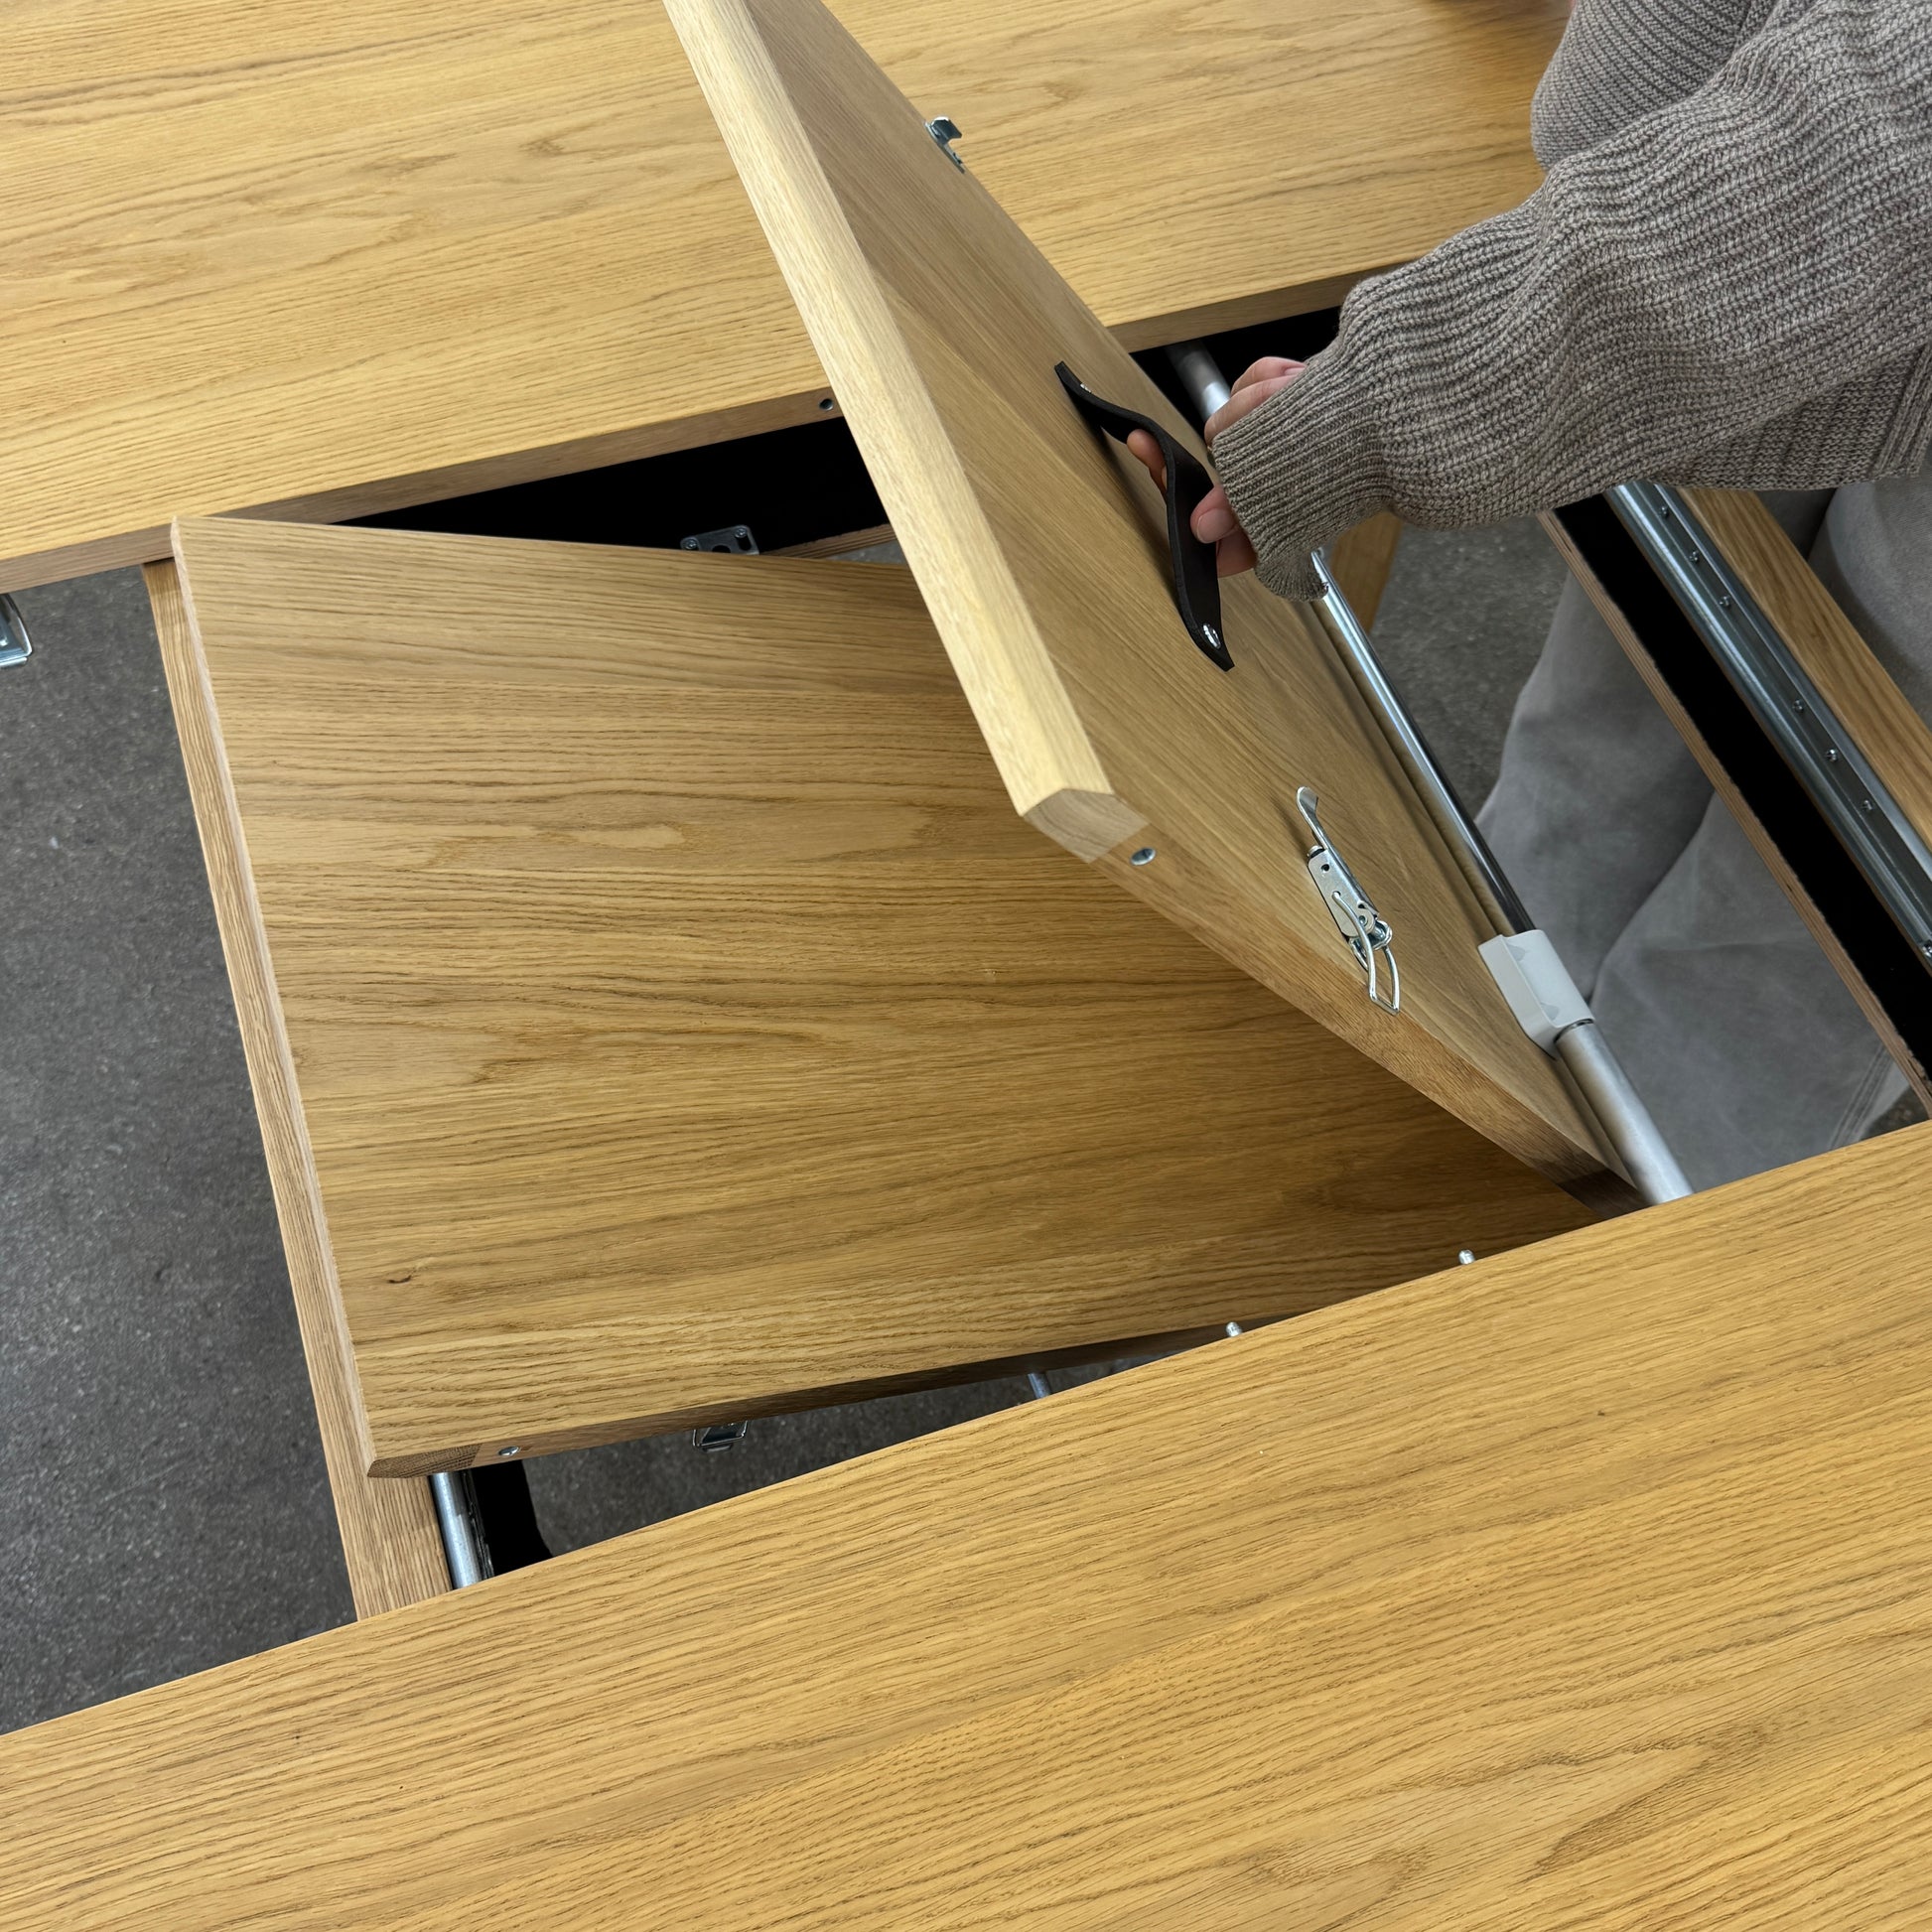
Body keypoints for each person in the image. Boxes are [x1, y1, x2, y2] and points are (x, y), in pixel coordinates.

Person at [1132, 0, 1932, 1188]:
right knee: (1614, 720)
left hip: (1784, 213)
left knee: (1803, 902)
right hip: (1712, 200)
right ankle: (1470, 1074)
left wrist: (1401, 398)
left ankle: (1610, 1241)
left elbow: (1883, 140)